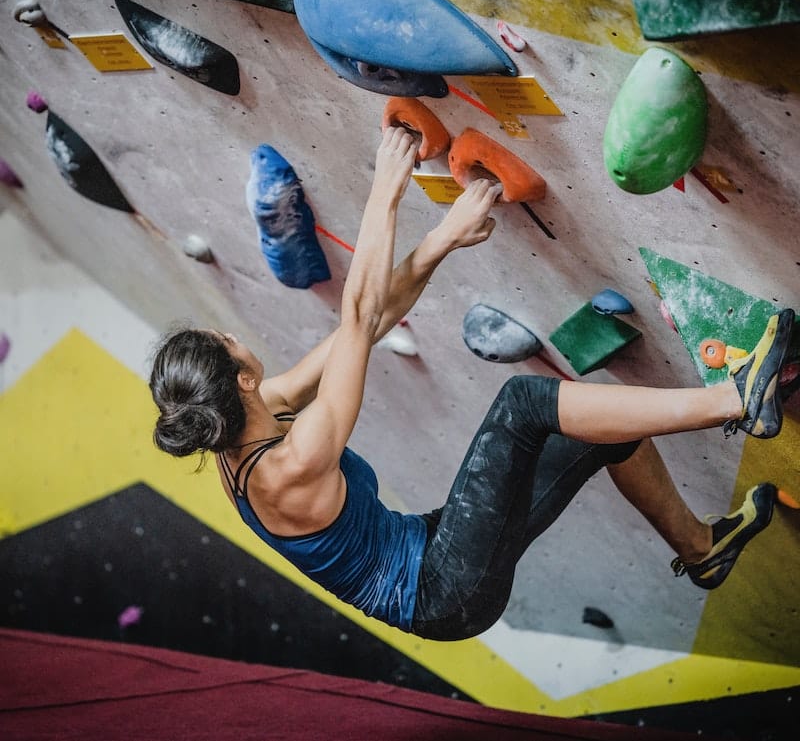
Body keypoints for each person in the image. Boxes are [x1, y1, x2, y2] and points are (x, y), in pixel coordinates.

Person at [149, 127, 794, 641]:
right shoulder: (289, 465)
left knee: (600, 431)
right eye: (224, 341)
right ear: (239, 377)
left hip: (437, 548)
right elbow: (357, 315)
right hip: (444, 590)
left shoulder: (259, 414)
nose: (234, 336)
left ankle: (703, 549)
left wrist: (442, 242)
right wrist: (386, 187)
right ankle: (737, 399)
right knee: (525, 404)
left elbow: (367, 328)